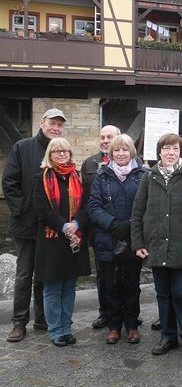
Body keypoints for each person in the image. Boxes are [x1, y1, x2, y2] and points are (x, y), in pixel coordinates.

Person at [131, 133, 182, 358]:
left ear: (180, 151)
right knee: (163, 293)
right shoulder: (149, 177)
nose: (170, 153)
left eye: (175, 149)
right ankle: (167, 336)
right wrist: (138, 243)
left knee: (181, 293)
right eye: (166, 149)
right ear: (159, 152)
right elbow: (137, 213)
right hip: (156, 246)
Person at [2, 107, 66, 342]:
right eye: (52, 123)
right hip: (26, 224)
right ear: (42, 123)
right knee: (24, 274)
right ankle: (19, 322)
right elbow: (9, 183)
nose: (56, 128)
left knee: (44, 274)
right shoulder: (23, 147)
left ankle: (42, 318)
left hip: (49, 226)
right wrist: (23, 210)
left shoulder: (60, 151)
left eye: (60, 125)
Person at [88, 134, 146, 345]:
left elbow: (147, 205)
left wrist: (130, 225)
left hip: (133, 238)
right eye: (117, 150)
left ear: (131, 152)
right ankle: (113, 326)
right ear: (111, 153)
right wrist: (112, 224)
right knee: (110, 285)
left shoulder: (142, 175)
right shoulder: (101, 176)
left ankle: (131, 325)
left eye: (125, 150)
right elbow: (93, 206)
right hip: (108, 238)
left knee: (131, 284)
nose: (121, 154)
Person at [33, 137, 91, 346]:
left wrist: (76, 223)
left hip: (75, 239)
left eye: (65, 151)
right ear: (50, 154)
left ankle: (66, 328)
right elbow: (41, 209)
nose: (62, 154)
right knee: (52, 288)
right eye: (57, 151)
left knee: (69, 286)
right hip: (52, 241)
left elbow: (86, 206)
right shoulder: (42, 177)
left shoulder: (78, 176)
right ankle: (55, 330)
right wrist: (64, 226)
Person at [81, 124, 121, 330]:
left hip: (122, 229)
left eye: (110, 137)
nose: (105, 140)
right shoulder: (89, 164)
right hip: (98, 229)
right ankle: (104, 312)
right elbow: (85, 200)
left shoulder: (134, 162)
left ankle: (125, 312)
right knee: (103, 275)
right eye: (102, 137)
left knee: (124, 273)